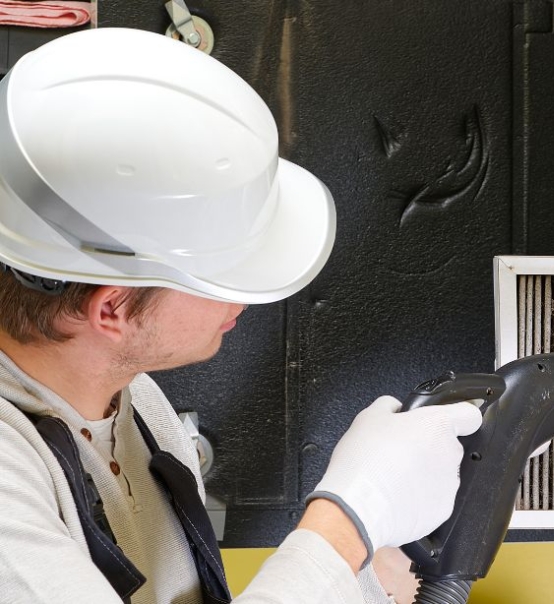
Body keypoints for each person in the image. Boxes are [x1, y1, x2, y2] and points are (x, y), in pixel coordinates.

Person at [0, 27, 483, 603]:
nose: (245, 301)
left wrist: (367, 562)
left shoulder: (134, 402)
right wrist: (345, 521)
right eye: (222, 278)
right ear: (112, 309)